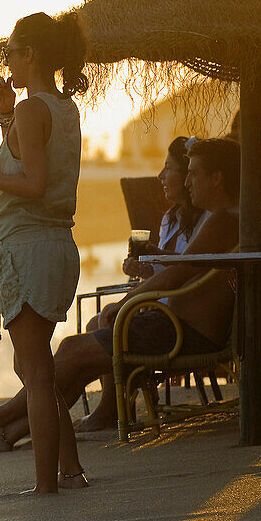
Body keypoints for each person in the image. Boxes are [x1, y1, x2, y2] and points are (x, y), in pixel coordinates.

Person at [0, 138, 242, 458]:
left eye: (194, 174)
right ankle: (6, 433)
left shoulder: (222, 219)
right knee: (77, 366)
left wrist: (127, 303)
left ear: (217, 178)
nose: (187, 181)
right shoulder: (225, 218)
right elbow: (182, 271)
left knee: (72, 350)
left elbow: (176, 275)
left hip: (182, 332)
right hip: (177, 326)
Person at [0, 11, 89, 494]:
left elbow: (32, 182)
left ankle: (46, 485)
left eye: (10, 53)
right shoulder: (62, 108)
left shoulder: (35, 110)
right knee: (36, 369)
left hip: (28, 251)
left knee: (34, 372)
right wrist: (8, 116)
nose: (6, 62)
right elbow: (39, 160)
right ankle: (70, 472)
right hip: (55, 247)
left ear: (30, 54)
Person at [76, 136, 208, 431]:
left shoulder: (206, 221)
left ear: (188, 175)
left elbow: (189, 269)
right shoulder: (169, 220)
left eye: (168, 169)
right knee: (96, 323)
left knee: (104, 323)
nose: (161, 177)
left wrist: (155, 265)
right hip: (159, 301)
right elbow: (166, 272)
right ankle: (115, 406)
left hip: (175, 312)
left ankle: (110, 409)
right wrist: (141, 269)